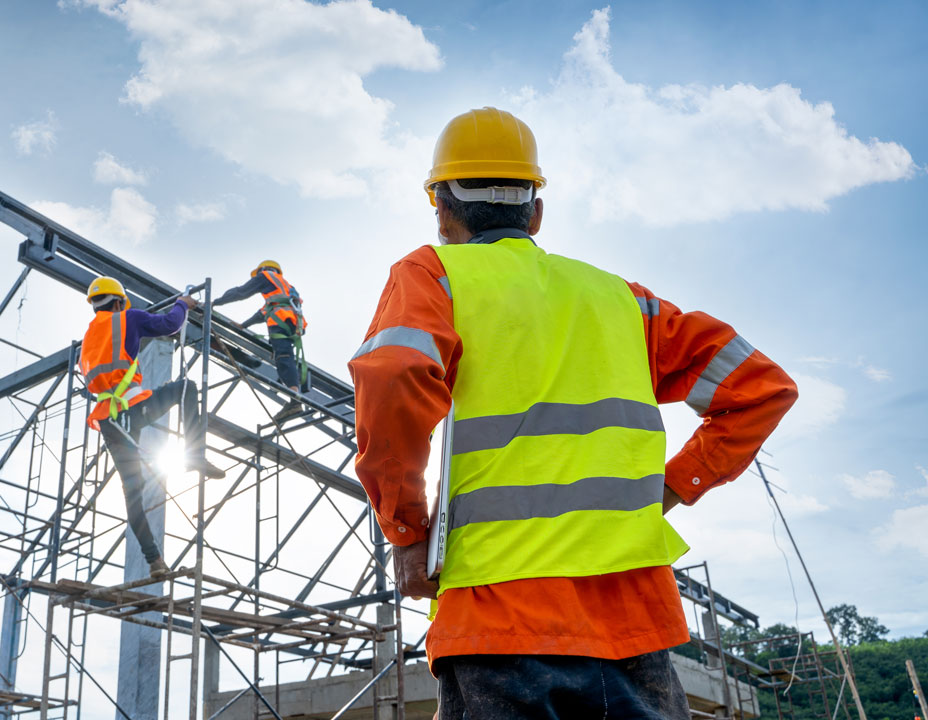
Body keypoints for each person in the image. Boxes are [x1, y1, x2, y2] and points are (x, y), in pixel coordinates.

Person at [347, 107, 798, 719]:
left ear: (442, 209)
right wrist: (673, 484)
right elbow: (760, 387)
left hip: (497, 618)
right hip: (636, 624)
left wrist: (406, 532)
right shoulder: (621, 299)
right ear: (536, 211)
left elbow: (395, 373)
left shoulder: (433, 275)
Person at [79, 276, 226, 578]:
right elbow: (169, 326)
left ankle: (155, 562)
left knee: (132, 492)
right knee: (186, 388)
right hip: (132, 405)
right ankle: (194, 454)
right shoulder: (128, 318)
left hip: (109, 418)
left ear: (94, 305)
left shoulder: (90, 336)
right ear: (119, 301)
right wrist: (182, 305)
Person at [214, 260, 309, 421]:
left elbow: (241, 292)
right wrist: (243, 325)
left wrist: (215, 302)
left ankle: (294, 399)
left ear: (264, 270)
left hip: (281, 321)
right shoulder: (284, 289)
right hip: (291, 323)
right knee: (284, 355)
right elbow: (263, 313)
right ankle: (294, 397)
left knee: (283, 357)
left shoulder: (265, 276)